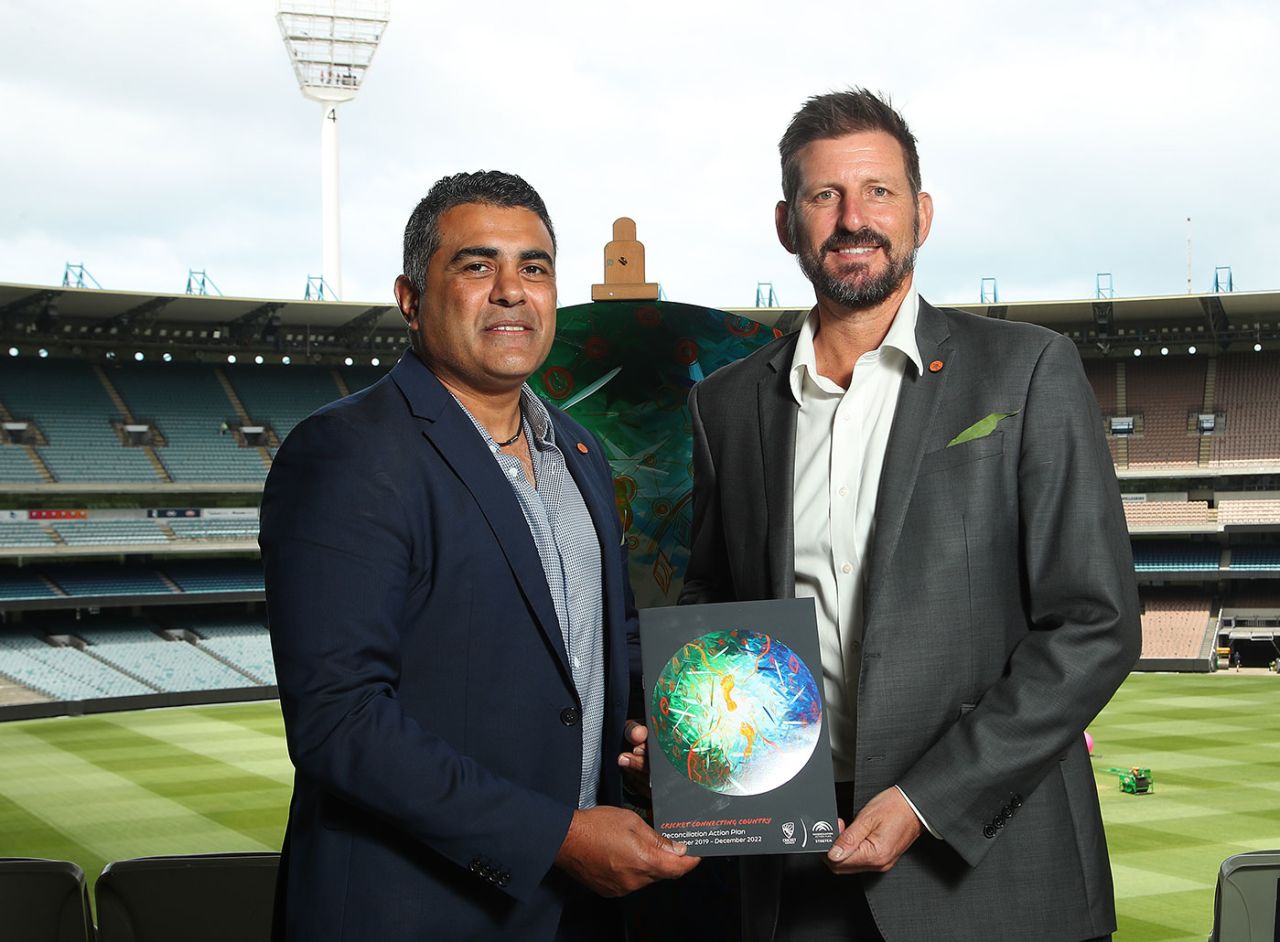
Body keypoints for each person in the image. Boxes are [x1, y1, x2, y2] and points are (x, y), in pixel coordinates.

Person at [676, 90, 1142, 941]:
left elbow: (1096, 625)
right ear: (788, 223)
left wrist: (926, 801)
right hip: (794, 864)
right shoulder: (727, 407)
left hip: (992, 875)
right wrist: (683, 726)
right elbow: (715, 611)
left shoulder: (1028, 370)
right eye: (825, 197)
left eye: (879, 193)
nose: (855, 219)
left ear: (921, 213)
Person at [260, 170, 697, 942]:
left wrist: (664, 736)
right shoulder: (347, 453)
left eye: (534, 267)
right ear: (409, 296)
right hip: (416, 912)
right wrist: (558, 838)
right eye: (476, 265)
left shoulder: (581, 450)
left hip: (576, 916)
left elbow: (612, 642)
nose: (510, 290)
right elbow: (340, 721)